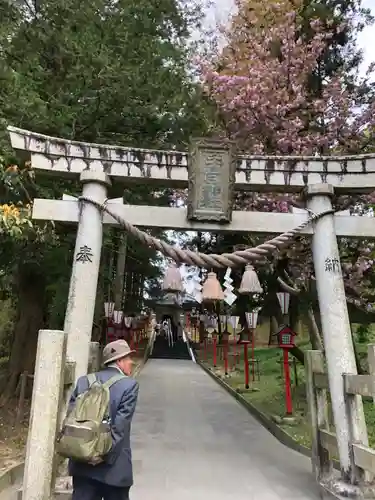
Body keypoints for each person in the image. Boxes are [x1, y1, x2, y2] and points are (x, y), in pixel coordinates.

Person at [69, 339, 139, 500]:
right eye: (128, 358)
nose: (131, 362)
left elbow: (71, 418)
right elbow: (119, 428)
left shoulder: (83, 381)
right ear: (119, 361)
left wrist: (87, 455)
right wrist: (102, 457)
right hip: (113, 469)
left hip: (82, 463)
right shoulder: (129, 385)